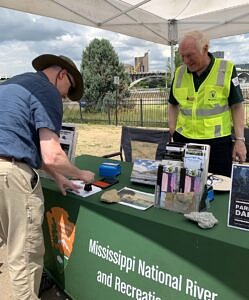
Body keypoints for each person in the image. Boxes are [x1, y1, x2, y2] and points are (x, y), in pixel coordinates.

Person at [0, 54, 95, 299]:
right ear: (61, 74)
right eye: (67, 90)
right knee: (25, 256)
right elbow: (52, 155)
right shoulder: (48, 92)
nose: (64, 96)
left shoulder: (15, 83)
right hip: (11, 177)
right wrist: (79, 173)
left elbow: (24, 145)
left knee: (7, 244)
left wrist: (58, 177)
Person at [168, 30, 247, 177]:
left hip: (217, 145)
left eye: (190, 55)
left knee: (219, 187)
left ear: (205, 49)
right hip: (184, 141)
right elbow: (172, 104)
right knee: (184, 186)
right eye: (182, 55)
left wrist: (240, 140)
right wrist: (172, 129)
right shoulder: (179, 73)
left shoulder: (226, 69)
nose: (185, 61)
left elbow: (237, 106)